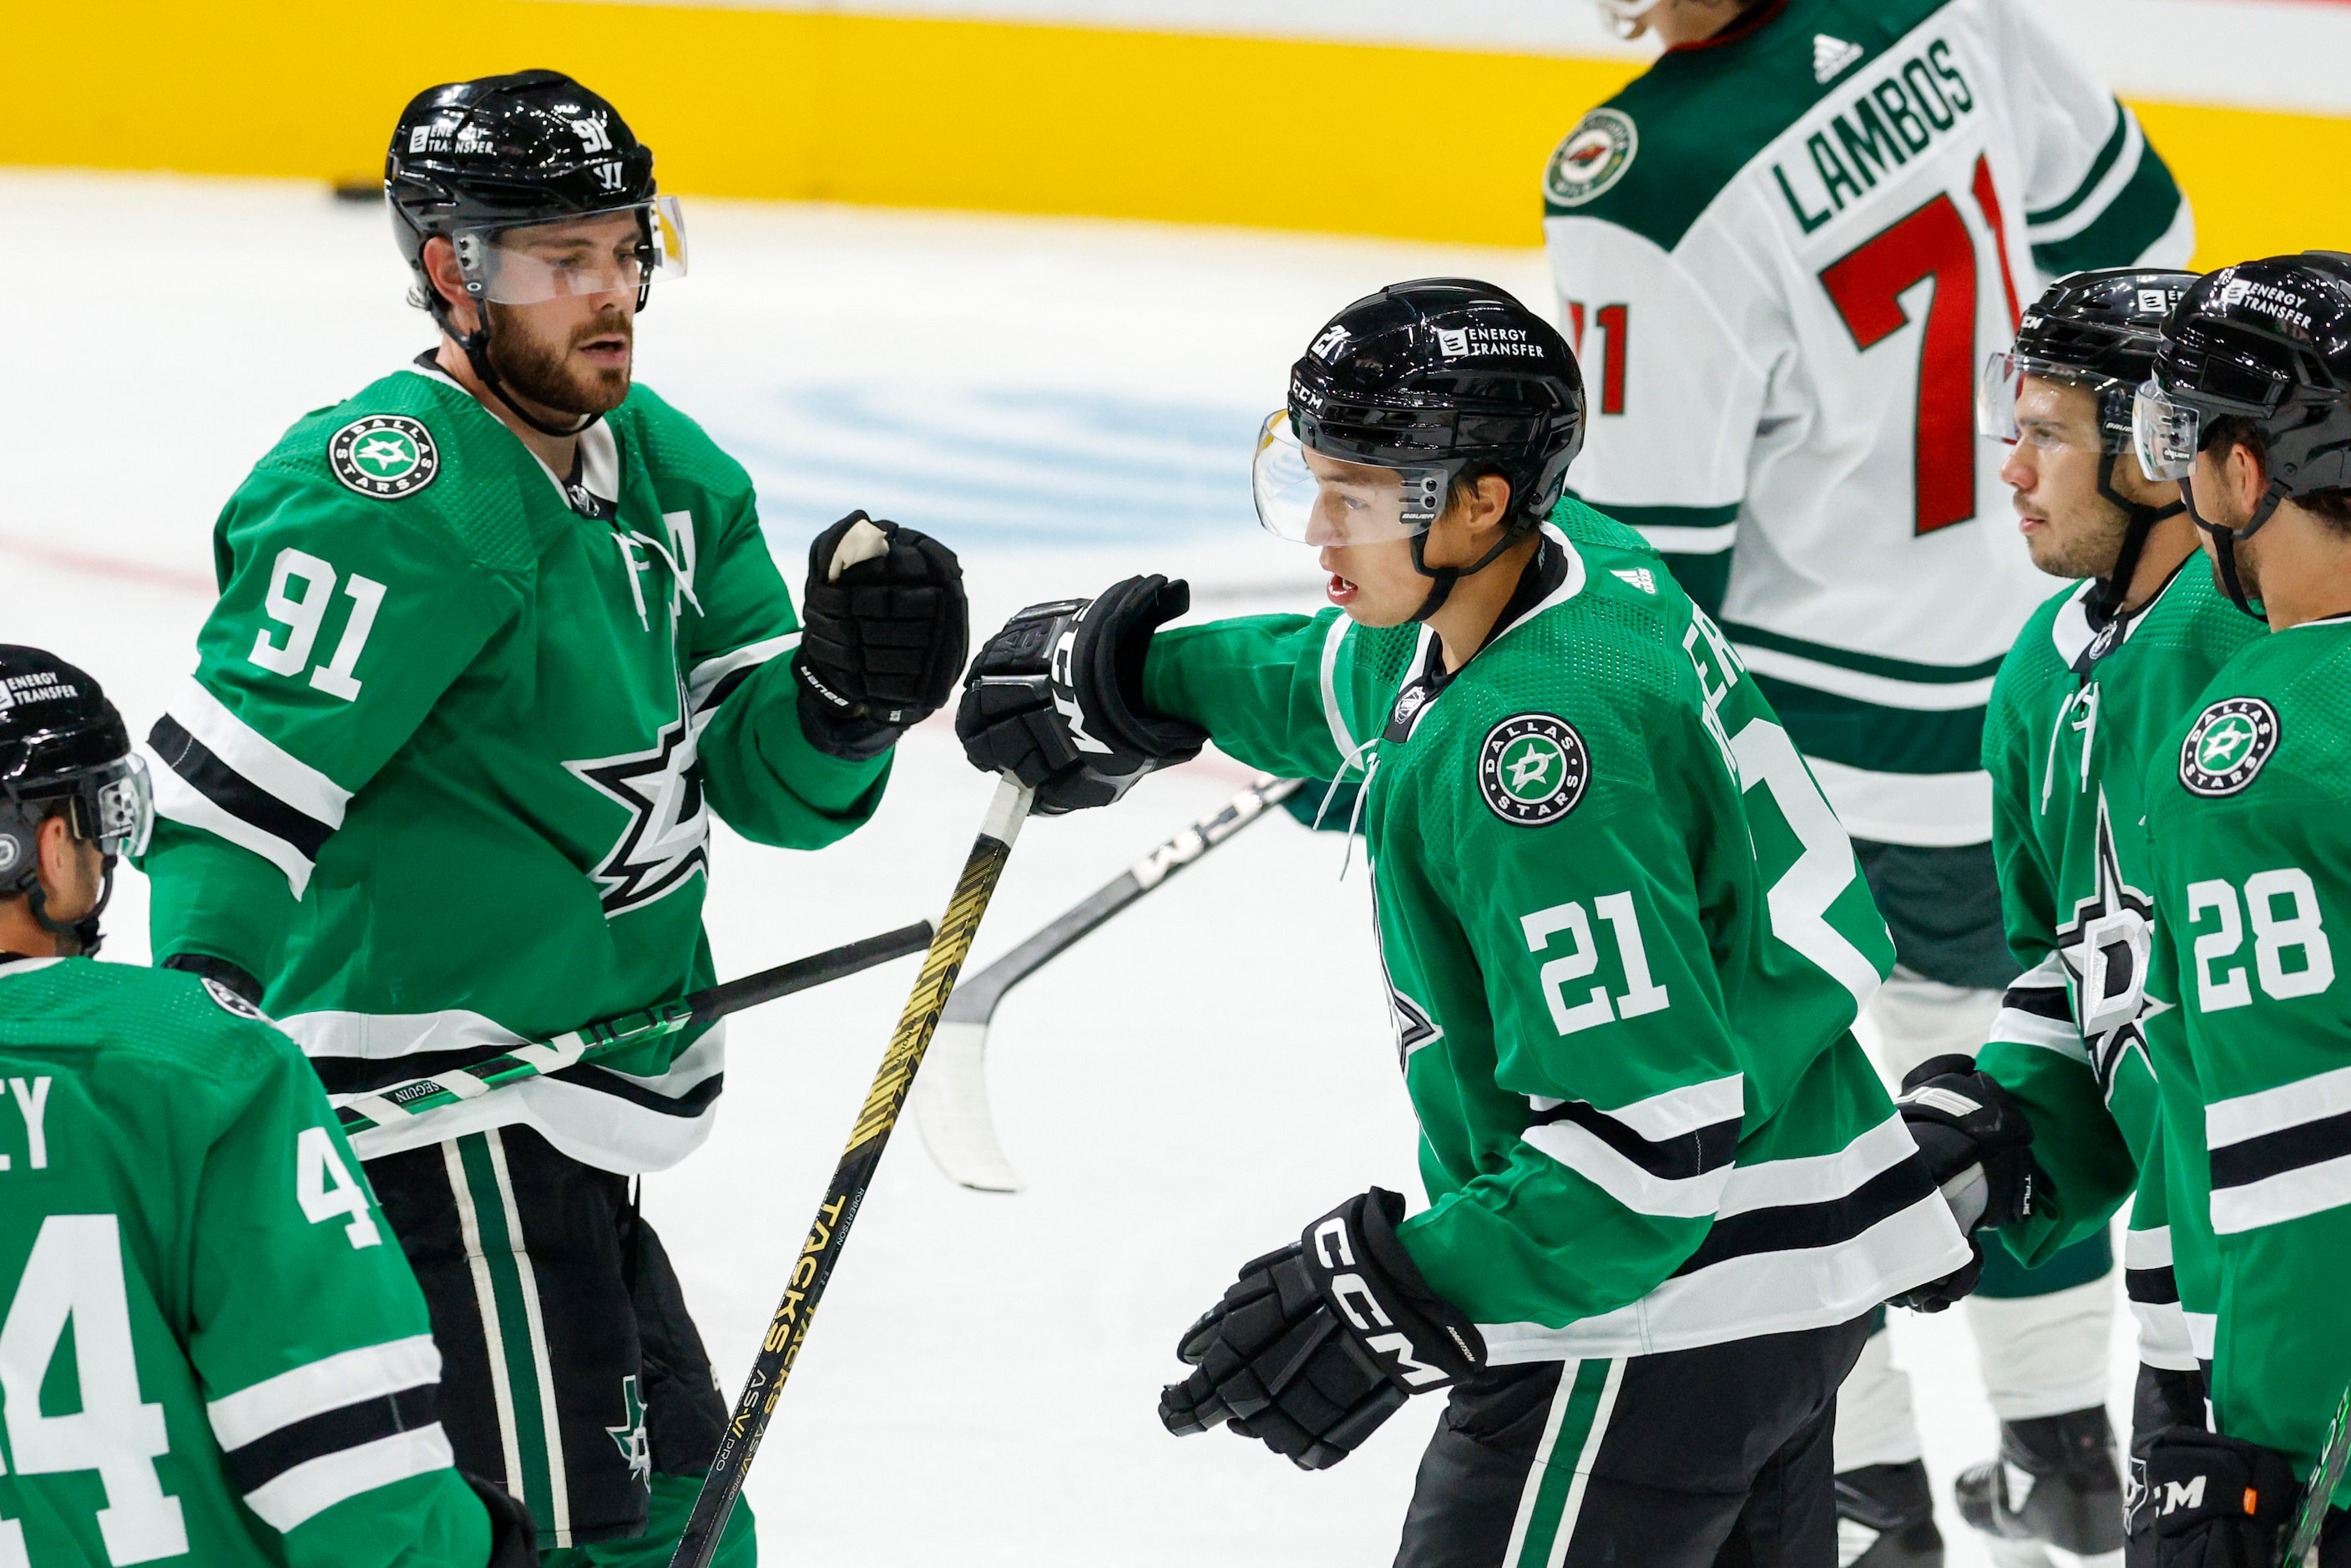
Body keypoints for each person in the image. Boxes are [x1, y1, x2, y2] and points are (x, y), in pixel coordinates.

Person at [958, 279, 1970, 1566]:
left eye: (1360, 495)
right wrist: (1152, 679)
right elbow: (1363, 674)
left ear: (1481, 498)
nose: (1320, 529)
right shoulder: (1573, 565)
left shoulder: (1533, 756)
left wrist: (1410, 1281)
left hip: (1655, 1304)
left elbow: (1647, 1149)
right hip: (1788, 1259)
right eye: (1312, 479)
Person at [134, 71, 968, 1565]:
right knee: (577, 1538)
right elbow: (234, 797)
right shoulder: (387, 494)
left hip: (573, 1107)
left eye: (621, 251)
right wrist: (206, 1032)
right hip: (440, 1118)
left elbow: (768, 784)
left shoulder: (661, 464)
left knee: (679, 1523)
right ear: (453, 272)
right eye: (556, 261)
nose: (607, 296)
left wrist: (845, 706)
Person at [1550, 1, 2195, 1558]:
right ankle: (2062, 1452)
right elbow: (2147, 251)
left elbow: (1647, 575)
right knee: (2010, 1072)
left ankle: (1864, 1483)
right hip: (2041, 688)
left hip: (1814, 754)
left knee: (1784, 1126)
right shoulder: (1950, 10)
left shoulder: (1643, 182)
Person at [0, 645, 535, 1568]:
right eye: (95, 818)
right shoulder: (203, 1061)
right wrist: (483, 1547)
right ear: (48, 845)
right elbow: (356, 1484)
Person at [1898, 267, 2267, 1565]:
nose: (2009, 469)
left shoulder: (2266, 656)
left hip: (2299, 1320)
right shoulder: (2040, 670)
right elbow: (2093, 975)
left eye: (2047, 433)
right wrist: (1995, 1136)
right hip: (2179, 1330)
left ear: (2166, 447)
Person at [2121, 253, 2351, 1568]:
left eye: (2190, 445)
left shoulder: (2257, 750)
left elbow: (2304, 1139)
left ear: (2249, 472)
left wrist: (2270, 1455)